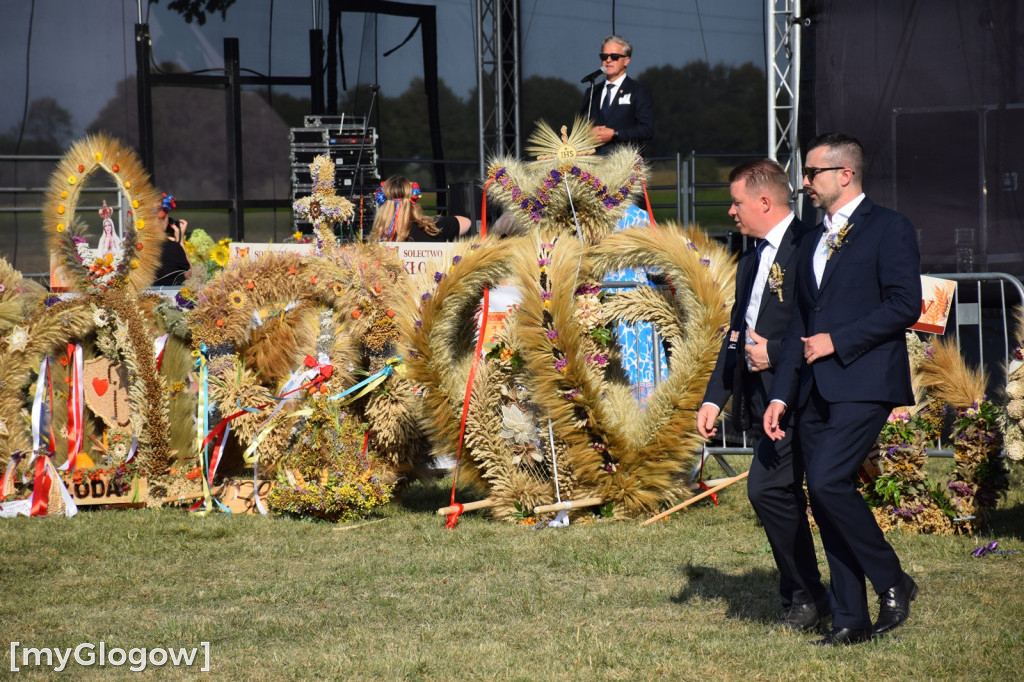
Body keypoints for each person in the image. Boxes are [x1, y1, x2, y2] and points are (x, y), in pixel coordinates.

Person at [763, 133, 922, 646]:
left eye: (812, 174)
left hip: (865, 380)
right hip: (811, 391)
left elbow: (905, 304)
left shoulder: (889, 228)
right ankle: (850, 619)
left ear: (845, 174)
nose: (803, 183)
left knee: (829, 481)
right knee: (825, 496)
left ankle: (892, 578)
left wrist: (838, 340)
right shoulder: (808, 239)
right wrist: (781, 395)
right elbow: (797, 327)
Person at [697, 159, 825, 631]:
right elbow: (737, 332)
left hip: (803, 396)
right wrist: (715, 397)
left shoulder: (810, 246)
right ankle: (803, 594)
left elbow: (817, 321)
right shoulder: (751, 257)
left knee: (771, 489)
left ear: (764, 202)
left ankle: (813, 594)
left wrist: (777, 352)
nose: (731, 211)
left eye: (737, 202)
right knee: (776, 493)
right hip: (762, 400)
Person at [579, 35, 654, 155]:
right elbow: (580, 128)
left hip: (623, 165)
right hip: (594, 166)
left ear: (626, 60)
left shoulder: (638, 91)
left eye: (614, 57)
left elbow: (646, 130)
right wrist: (588, 133)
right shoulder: (592, 91)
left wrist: (614, 134)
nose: (608, 60)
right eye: (604, 56)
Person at [369, 176, 471, 242]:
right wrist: (429, 221)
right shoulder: (433, 229)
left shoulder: (378, 240)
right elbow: (467, 222)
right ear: (414, 202)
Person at [152, 193, 192, 286]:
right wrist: (180, 242)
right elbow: (192, 277)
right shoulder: (172, 248)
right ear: (163, 218)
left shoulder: (133, 246)